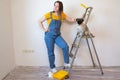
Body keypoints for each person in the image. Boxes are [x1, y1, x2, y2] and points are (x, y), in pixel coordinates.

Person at [39, 0, 83, 77]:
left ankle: (66, 63)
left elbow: (70, 19)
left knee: (65, 46)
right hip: (49, 36)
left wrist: (78, 19)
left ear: (60, 7)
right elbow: (39, 21)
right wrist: (44, 29)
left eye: (57, 6)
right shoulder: (49, 14)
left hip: (57, 36)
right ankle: (52, 68)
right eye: (54, 5)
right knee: (51, 52)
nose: (55, 7)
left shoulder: (62, 15)